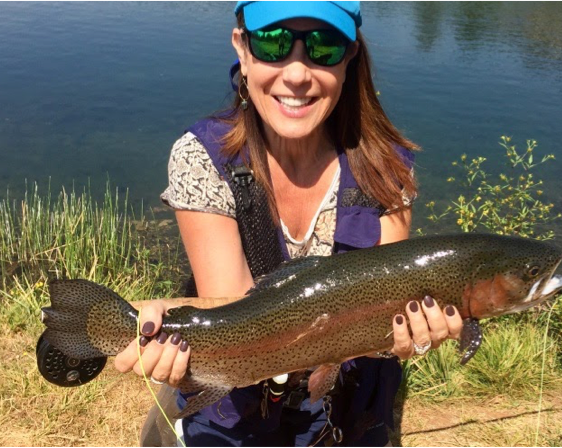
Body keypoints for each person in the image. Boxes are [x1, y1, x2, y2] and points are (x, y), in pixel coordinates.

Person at [114, 0, 463, 445]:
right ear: (242, 48)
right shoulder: (202, 159)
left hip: (349, 406)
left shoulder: (388, 171)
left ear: (350, 55)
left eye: (323, 46)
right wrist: (165, 322)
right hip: (235, 402)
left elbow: (386, 312)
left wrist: (412, 336)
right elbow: (233, 314)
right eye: (274, 43)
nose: (297, 73)